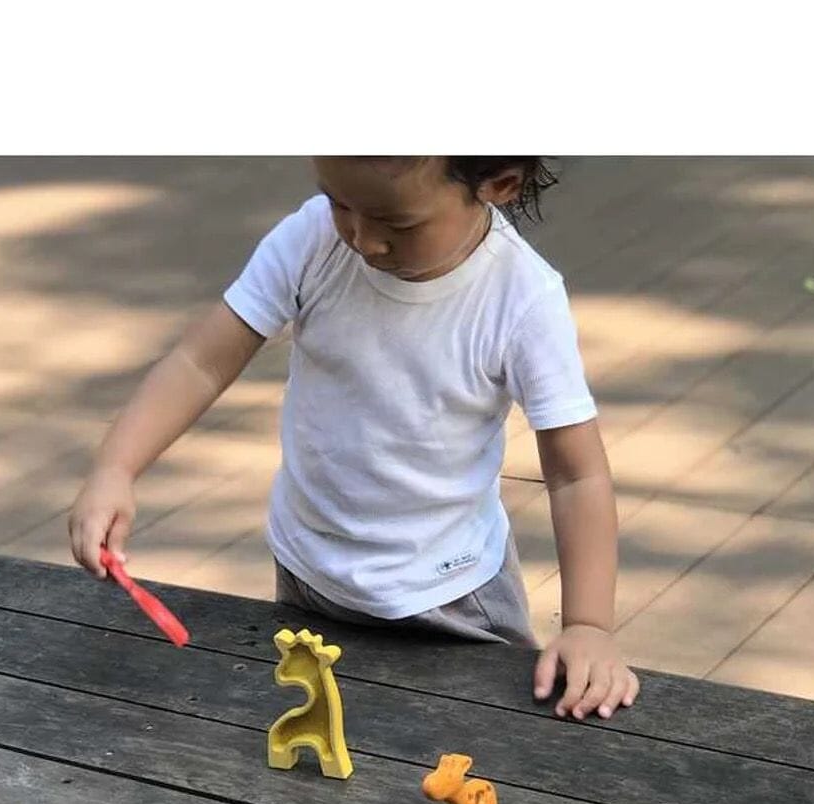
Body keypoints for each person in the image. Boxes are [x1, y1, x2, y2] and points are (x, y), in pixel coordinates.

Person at [69, 156, 639, 721]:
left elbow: (576, 474)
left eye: (398, 223)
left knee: (474, 764)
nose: (364, 241)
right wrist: (115, 468)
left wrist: (589, 625)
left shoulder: (521, 298)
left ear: (499, 184)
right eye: (342, 203)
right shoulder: (312, 240)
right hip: (311, 577)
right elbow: (200, 363)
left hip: (451, 601)